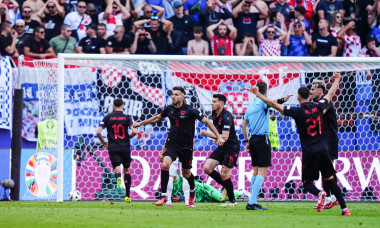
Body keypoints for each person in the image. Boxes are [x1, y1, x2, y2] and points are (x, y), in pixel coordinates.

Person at [252, 73, 350, 216]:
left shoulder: (297, 111)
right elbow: (330, 93)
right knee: (330, 179)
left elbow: (273, 104)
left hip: (310, 152)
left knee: (307, 183)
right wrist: (337, 80)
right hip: (323, 149)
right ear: (309, 96)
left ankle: (320, 193)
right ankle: (344, 209)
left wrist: (258, 94)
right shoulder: (318, 106)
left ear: (298, 97)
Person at [133, 86, 225, 207]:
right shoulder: (169, 109)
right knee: (165, 165)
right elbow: (157, 117)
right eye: (172, 94)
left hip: (186, 146)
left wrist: (218, 136)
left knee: (186, 173)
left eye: (176, 94)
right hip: (172, 143)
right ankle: (164, 195)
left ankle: (192, 189)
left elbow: (207, 122)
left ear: (182, 97)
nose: (173, 97)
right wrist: (141, 123)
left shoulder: (190, 110)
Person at [242, 82, 291, 210]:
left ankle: (252, 200)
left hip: (252, 139)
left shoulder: (251, 105)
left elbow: (243, 125)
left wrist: (247, 141)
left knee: (256, 171)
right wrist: (282, 100)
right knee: (262, 173)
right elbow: (272, 102)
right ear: (266, 91)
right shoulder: (262, 102)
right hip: (263, 139)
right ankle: (252, 202)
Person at [96, 98, 138, 203]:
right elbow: (135, 131)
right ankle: (127, 196)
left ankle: (118, 178)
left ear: (113, 106)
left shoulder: (107, 117)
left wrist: (104, 142)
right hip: (125, 147)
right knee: (127, 170)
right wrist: (129, 136)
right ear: (123, 106)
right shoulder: (127, 118)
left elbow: (98, 132)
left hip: (113, 147)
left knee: (117, 169)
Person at [201, 94, 239, 207]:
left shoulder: (227, 116)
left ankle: (232, 201)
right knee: (207, 168)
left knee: (224, 174)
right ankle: (226, 187)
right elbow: (220, 136)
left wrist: (208, 134)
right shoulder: (214, 114)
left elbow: (225, 136)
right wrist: (218, 139)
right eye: (212, 101)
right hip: (222, 147)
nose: (212, 104)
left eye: (214, 102)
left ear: (221, 104)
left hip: (232, 148)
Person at [310, 79, 339, 209]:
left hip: (330, 139)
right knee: (325, 169)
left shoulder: (325, 103)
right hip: (323, 139)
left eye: (313, 89)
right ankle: (329, 197)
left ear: (320, 91)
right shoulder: (315, 102)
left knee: (328, 169)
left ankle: (332, 197)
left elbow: (318, 113)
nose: (311, 91)